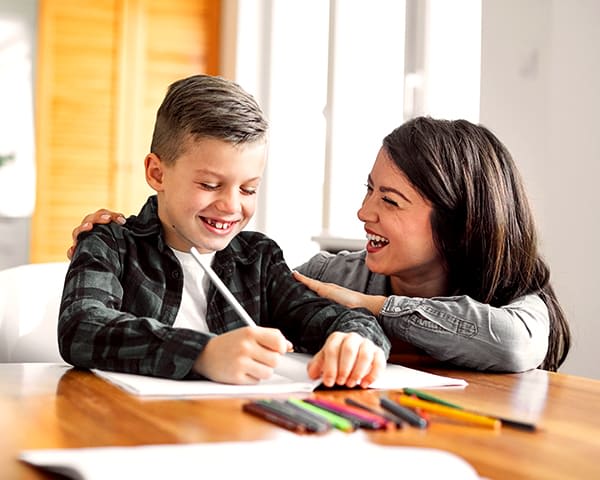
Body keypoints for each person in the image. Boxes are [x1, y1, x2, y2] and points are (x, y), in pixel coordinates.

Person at [69, 116, 570, 373]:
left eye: (390, 200)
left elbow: (512, 342)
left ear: (461, 225)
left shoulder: (516, 295)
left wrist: (368, 313)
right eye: (367, 189)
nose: (363, 212)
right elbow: (284, 296)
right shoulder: (330, 276)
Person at [59, 74, 390, 388]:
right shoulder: (109, 242)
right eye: (209, 185)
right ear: (158, 173)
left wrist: (357, 341)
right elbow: (80, 327)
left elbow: (333, 318)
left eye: (248, 190)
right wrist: (202, 353)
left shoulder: (258, 259)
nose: (231, 206)